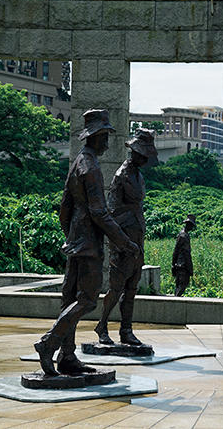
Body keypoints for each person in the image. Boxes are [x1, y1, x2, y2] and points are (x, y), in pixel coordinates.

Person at [33, 109, 139, 376]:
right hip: (88, 244)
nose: (107, 142)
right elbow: (99, 211)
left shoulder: (78, 161)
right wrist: (124, 242)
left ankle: (67, 356)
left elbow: (64, 208)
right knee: (88, 299)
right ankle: (49, 343)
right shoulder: (90, 166)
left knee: (70, 297)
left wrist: (71, 236)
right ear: (96, 137)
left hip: (76, 241)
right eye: (105, 136)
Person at [94, 129, 157, 346]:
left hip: (137, 237)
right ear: (135, 152)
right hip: (123, 241)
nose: (145, 159)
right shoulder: (121, 176)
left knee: (132, 287)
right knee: (116, 287)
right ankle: (102, 325)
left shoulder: (138, 175)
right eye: (143, 154)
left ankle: (126, 330)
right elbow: (110, 213)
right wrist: (122, 242)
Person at [172, 215, 196, 297]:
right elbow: (183, 253)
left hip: (181, 264)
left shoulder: (183, 234)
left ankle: (176, 301)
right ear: (188, 225)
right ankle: (175, 303)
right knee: (182, 285)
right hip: (183, 265)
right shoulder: (183, 236)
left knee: (180, 286)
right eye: (191, 226)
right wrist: (190, 268)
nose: (192, 228)